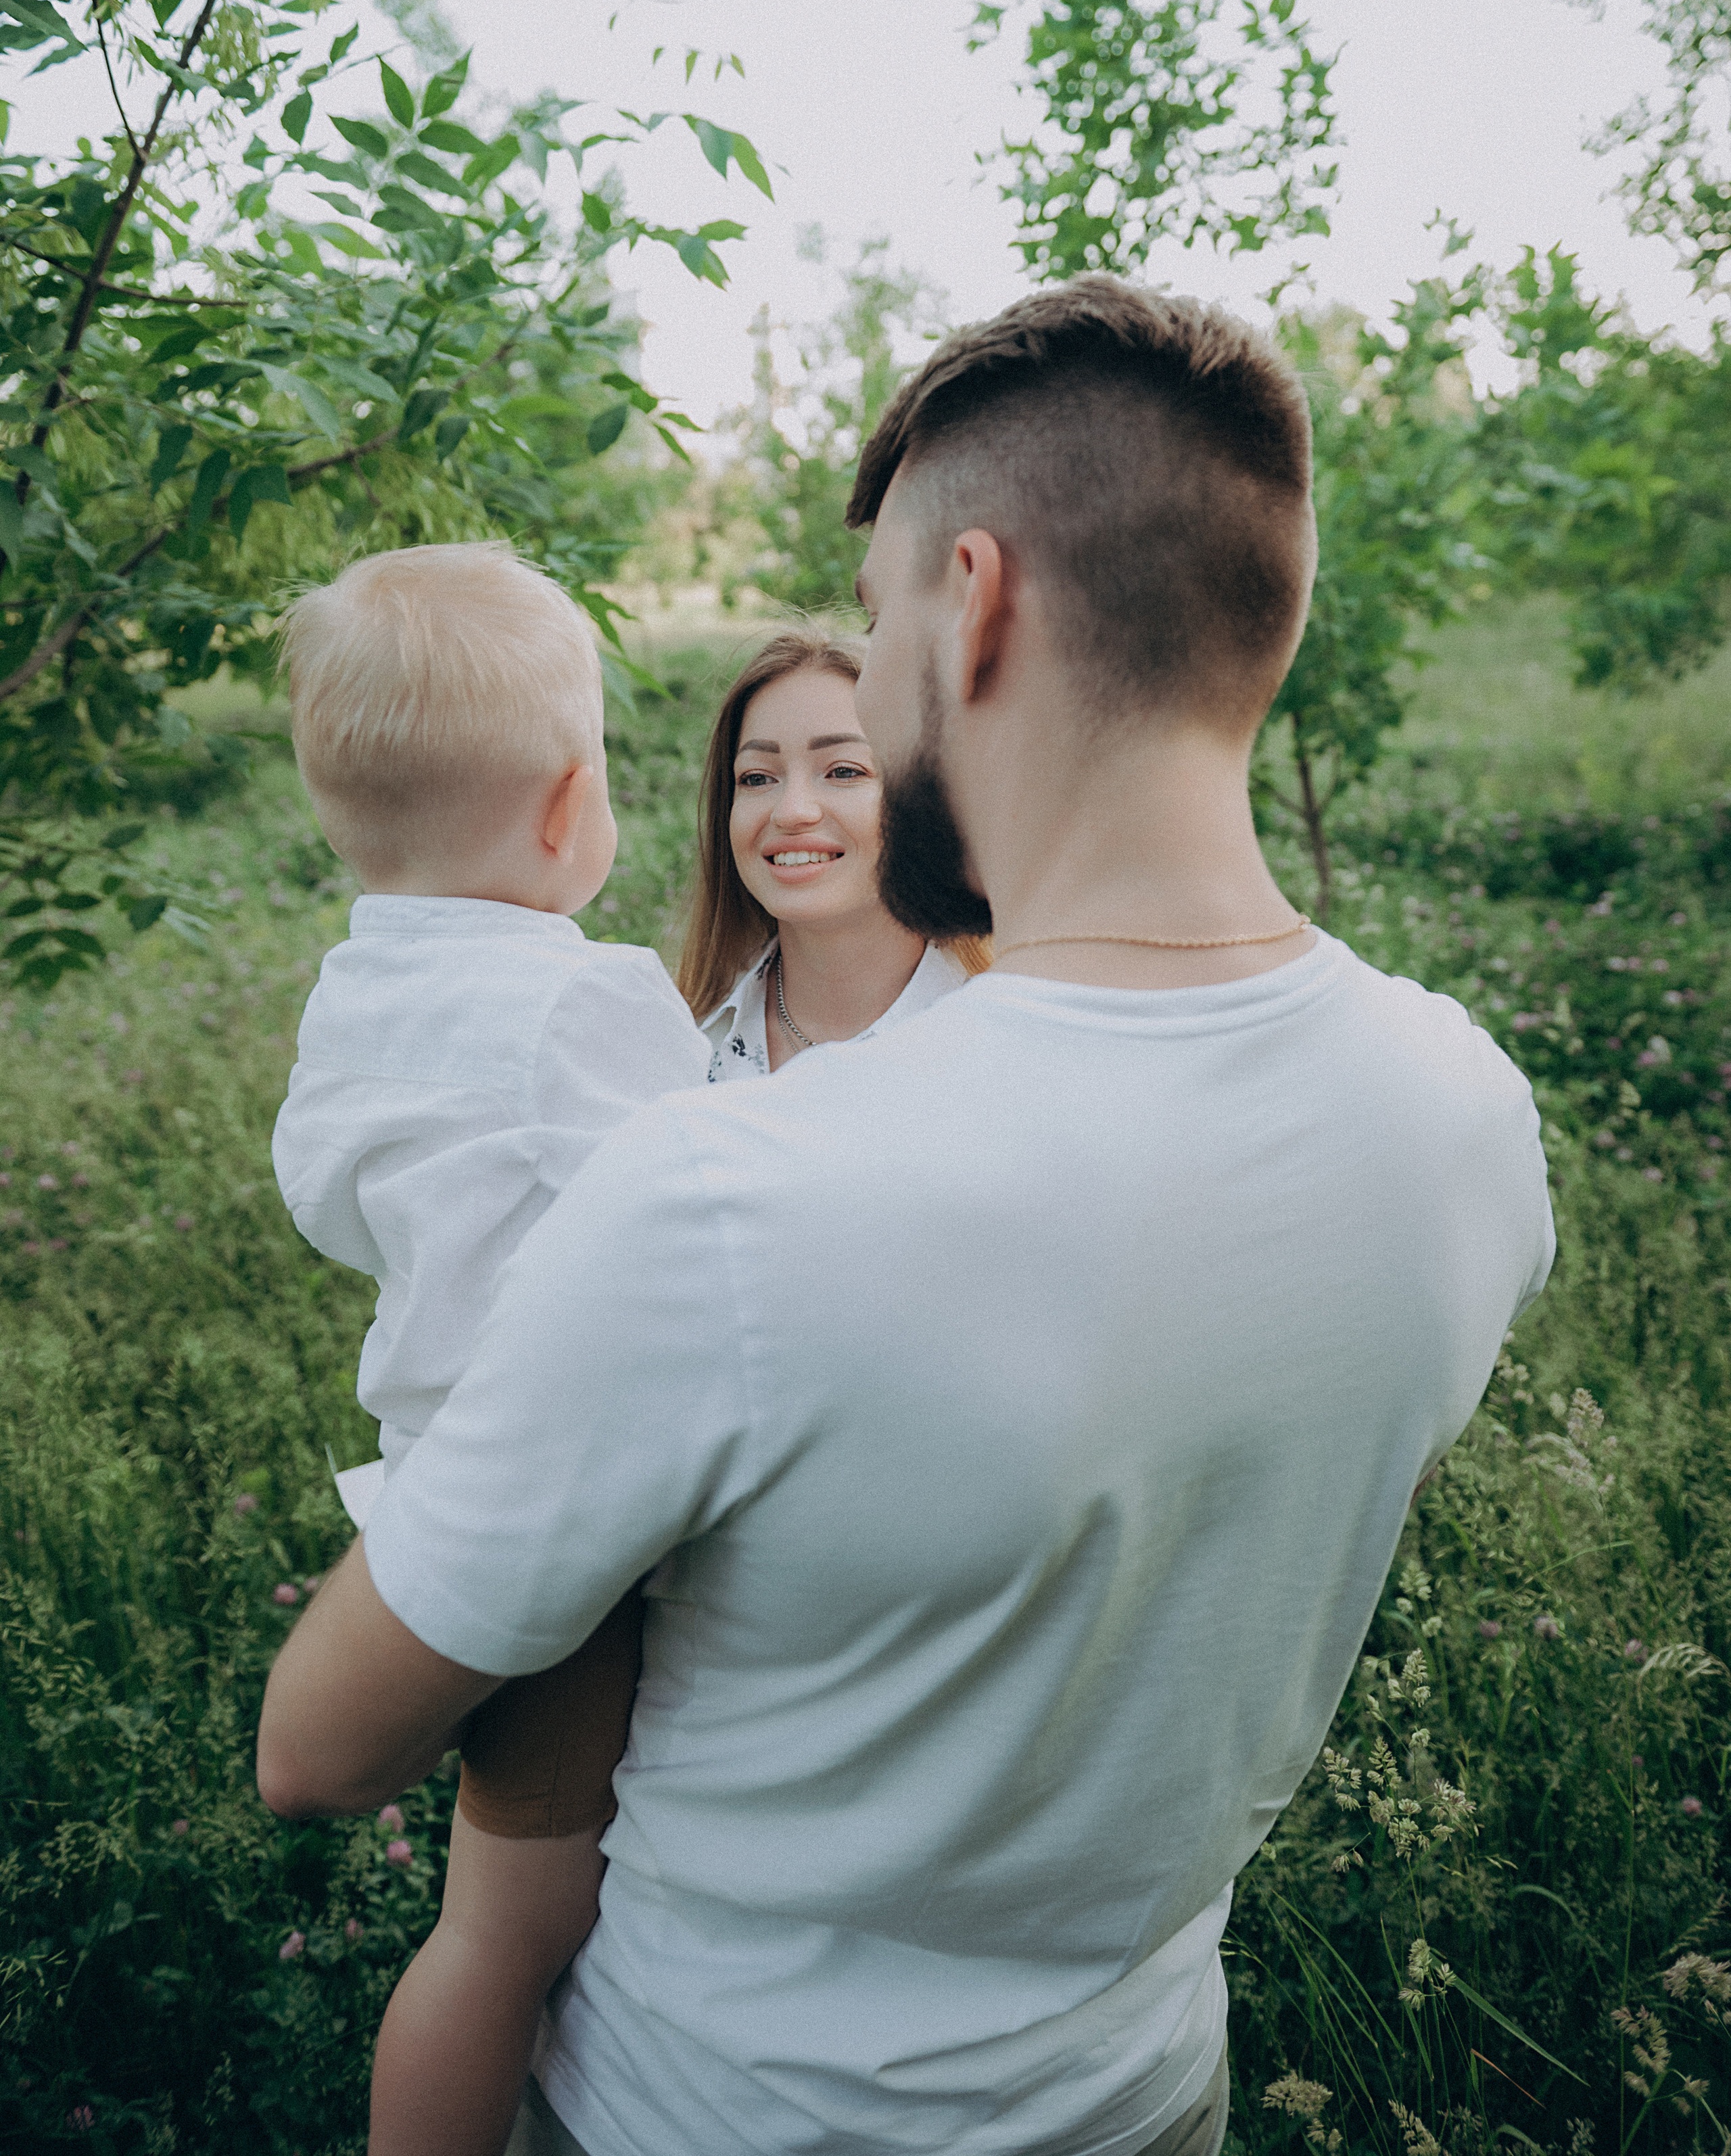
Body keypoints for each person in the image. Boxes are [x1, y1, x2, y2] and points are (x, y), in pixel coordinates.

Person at [258, 279, 1555, 2156]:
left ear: (980, 598)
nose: (858, 687)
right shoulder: (1467, 1121)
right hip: (1142, 2100)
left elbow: (320, 1750)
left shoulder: (729, 1191)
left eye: (872, 628)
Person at [270, 541, 709, 2156]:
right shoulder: (583, 1000)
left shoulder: (355, 994)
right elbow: (719, 1192)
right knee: (518, 1930)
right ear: (565, 805)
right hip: (555, 1523)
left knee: (480, 1915)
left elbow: (329, 1193)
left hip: (425, 1497)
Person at [678, 628, 987, 1077]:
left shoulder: (1000, 1049)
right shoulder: (677, 1045)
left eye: (844, 771)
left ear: (929, 800)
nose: (791, 811)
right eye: (757, 778)